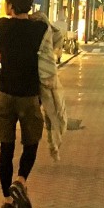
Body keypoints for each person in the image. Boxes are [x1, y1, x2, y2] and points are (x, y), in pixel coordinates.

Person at [0, 0, 46, 208]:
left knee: (6, 147)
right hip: (29, 95)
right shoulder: (39, 29)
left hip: (5, 94)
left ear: (10, 6)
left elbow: (10, 19)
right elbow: (46, 23)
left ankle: (7, 201)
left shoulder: (2, 26)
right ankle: (21, 180)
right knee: (31, 142)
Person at [30, 10, 68, 161]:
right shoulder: (50, 32)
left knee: (48, 113)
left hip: (36, 79)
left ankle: (53, 143)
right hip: (47, 77)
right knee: (52, 112)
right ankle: (53, 143)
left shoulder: (37, 33)